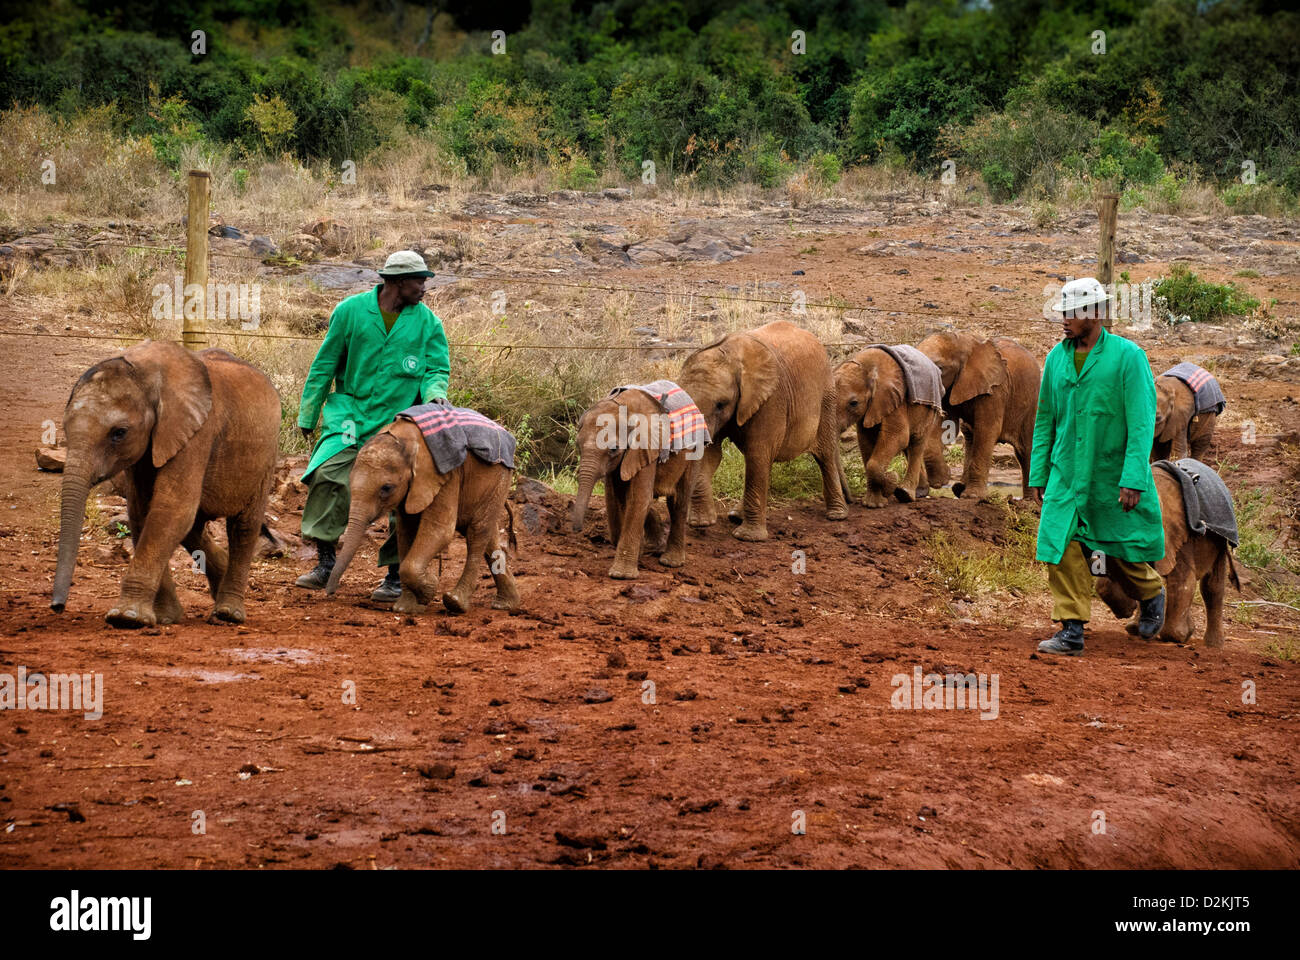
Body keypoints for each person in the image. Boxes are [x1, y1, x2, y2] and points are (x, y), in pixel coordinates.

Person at [294, 251, 450, 599]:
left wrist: (436, 394)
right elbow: (324, 364)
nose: (424, 287)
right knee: (329, 473)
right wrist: (309, 413)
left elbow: (436, 369)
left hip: (396, 421)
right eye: (418, 280)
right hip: (349, 413)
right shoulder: (350, 312)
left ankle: (395, 575)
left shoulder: (428, 323)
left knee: (401, 490)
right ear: (395, 282)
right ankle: (324, 562)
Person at [1028, 277, 1166, 656]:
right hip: (1066, 472)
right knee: (1060, 544)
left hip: (1109, 472)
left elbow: (1141, 423)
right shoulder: (1056, 358)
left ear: (1097, 313)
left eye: (1073, 313)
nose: (1065, 320)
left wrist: (1134, 477)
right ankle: (1071, 630)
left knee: (1116, 543)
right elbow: (1044, 419)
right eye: (1064, 312)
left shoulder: (1128, 357)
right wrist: (1039, 472)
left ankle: (1153, 592)